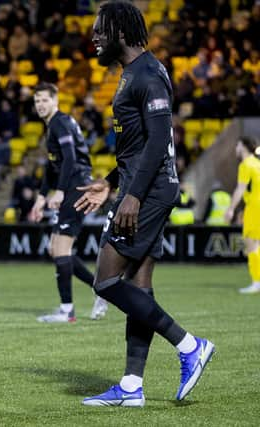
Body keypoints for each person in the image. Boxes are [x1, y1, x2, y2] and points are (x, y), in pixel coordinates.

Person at [73, 1, 214, 407]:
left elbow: (159, 140)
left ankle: (189, 345)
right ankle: (132, 387)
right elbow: (140, 145)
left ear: (120, 31)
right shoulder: (135, 73)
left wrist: (131, 195)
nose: (94, 37)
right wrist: (111, 182)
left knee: (105, 279)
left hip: (147, 192)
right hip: (143, 186)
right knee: (139, 287)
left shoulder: (148, 74)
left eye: (100, 30)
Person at [28, 83, 107, 323]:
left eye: (44, 100)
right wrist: (41, 198)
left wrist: (60, 192)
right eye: (37, 101)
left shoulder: (59, 122)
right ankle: (101, 290)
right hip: (73, 185)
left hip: (76, 187)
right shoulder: (55, 124)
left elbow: (71, 157)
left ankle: (67, 311)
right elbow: (53, 167)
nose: (40, 104)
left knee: (61, 249)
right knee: (56, 249)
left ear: (55, 100)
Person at [225, 137, 260, 293]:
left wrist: (231, 209)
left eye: (237, 145)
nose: (236, 148)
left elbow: (240, 189)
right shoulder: (258, 163)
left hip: (254, 206)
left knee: (251, 244)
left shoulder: (246, 164)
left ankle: (256, 282)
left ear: (244, 147)